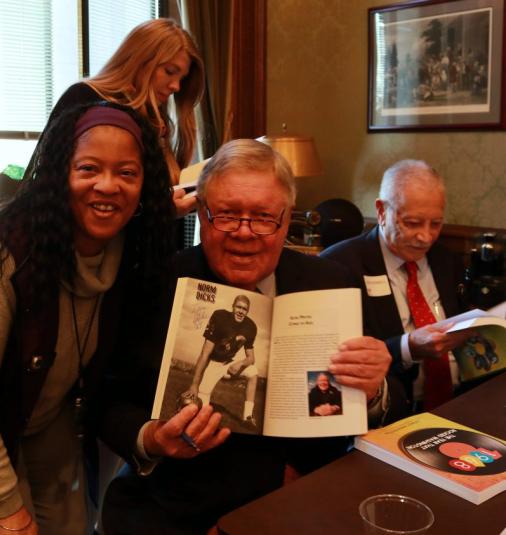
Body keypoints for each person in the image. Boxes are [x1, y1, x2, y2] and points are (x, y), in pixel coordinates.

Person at [0, 101, 176, 535]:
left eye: (127, 173)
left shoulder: (129, 255)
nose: (107, 186)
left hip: (46, 424)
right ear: (59, 173)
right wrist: (9, 510)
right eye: (88, 169)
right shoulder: (3, 256)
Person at [97, 139, 397, 534]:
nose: (244, 232)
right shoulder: (155, 283)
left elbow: (372, 407)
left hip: (305, 502)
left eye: (262, 216)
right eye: (227, 214)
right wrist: (151, 438)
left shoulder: (332, 283)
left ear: (286, 220)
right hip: (178, 508)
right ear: (202, 216)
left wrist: (373, 392)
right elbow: (107, 400)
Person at [321, 159, 470, 412]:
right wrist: (408, 346)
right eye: (412, 223)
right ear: (381, 211)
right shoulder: (339, 266)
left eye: (436, 224)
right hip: (392, 412)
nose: (426, 237)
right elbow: (341, 359)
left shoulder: (445, 260)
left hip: (460, 401)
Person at [26, 18, 204, 217]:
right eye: (169, 72)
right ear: (139, 60)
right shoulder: (83, 98)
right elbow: (47, 182)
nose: (176, 86)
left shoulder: (157, 121)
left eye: (181, 79)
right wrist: (160, 211)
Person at [185, 295, 259, 428]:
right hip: (214, 363)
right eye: (239, 307)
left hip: (230, 363)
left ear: (247, 311)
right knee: (201, 408)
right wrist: (194, 384)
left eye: (245, 309)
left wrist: (240, 363)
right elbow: (204, 354)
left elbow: (251, 358)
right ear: (233, 307)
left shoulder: (250, 327)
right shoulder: (220, 317)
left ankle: (247, 417)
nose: (241, 311)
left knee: (253, 372)